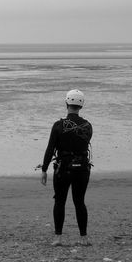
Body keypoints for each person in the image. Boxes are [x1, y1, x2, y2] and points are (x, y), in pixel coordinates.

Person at [40, 89, 93, 247]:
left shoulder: (58, 125)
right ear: (81, 105)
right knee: (79, 202)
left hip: (63, 169)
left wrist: (44, 169)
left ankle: (58, 238)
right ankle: (84, 238)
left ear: (66, 103)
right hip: (82, 169)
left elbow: (50, 149)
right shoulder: (88, 126)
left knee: (60, 202)